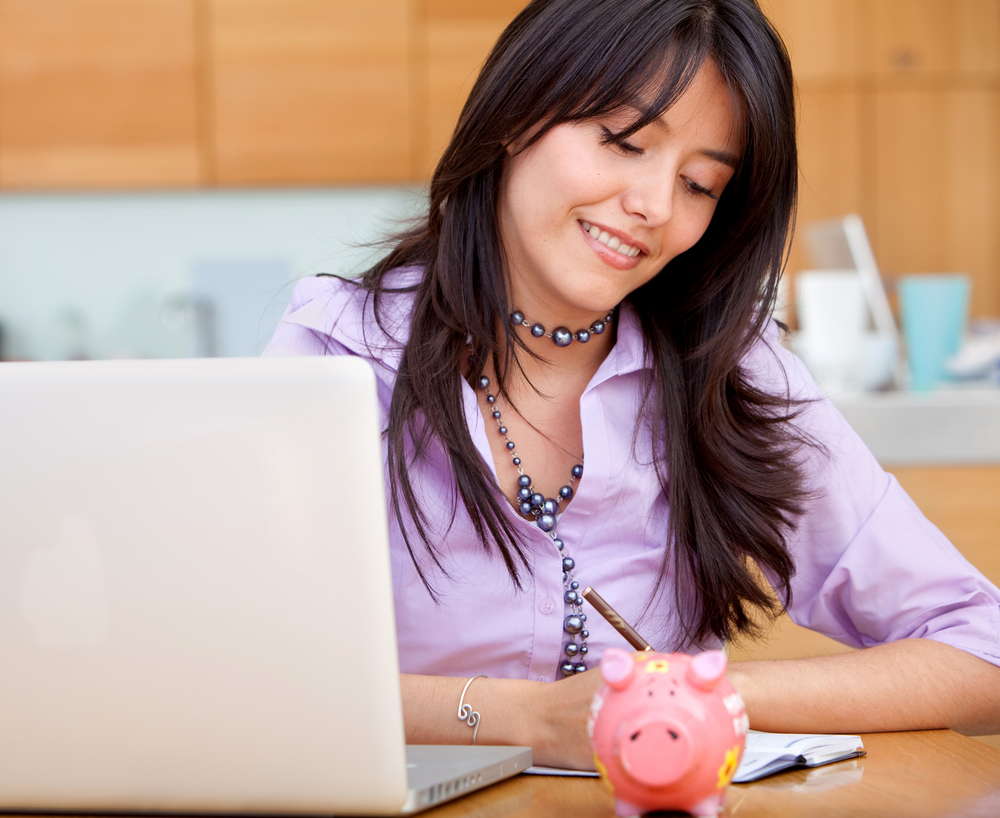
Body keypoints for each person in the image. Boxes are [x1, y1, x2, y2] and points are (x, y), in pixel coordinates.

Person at [265, 0, 1000, 770]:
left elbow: (980, 649)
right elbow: (248, 678)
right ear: (518, 112)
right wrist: (533, 719)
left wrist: (693, 689)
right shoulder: (338, 354)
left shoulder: (729, 367)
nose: (653, 207)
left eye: (700, 185)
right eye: (623, 142)